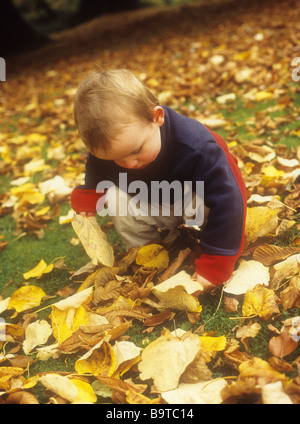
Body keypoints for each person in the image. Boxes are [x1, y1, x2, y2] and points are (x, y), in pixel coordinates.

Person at [71, 69, 247, 292]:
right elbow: (96, 165)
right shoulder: (112, 149)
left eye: (136, 151)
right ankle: (146, 253)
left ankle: (217, 247)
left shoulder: (197, 147)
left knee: (218, 206)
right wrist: (90, 194)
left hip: (194, 199)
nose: (129, 163)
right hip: (151, 197)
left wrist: (217, 263)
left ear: (157, 118)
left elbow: (229, 200)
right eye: (115, 158)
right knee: (115, 197)